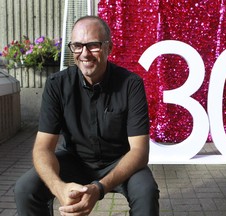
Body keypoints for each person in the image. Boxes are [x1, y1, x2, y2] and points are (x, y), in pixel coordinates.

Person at [14, 15, 159, 216]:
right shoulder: (57, 85)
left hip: (119, 161)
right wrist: (59, 188)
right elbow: (42, 148)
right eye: (78, 46)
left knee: (146, 191)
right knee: (25, 189)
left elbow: (139, 151)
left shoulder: (131, 85)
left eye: (93, 45)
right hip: (74, 160)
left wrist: (98, 188)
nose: (85, 53)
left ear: (109, 48)